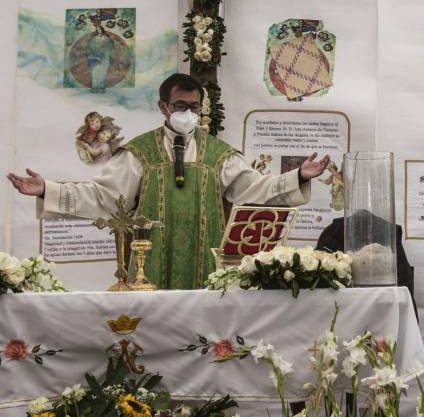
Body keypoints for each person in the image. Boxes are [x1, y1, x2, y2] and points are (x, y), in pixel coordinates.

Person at [7, 73, 333, 289]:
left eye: (194, 106)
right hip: (150, 262)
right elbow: (104, 195)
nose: (188, 112)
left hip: (207, 259)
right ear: (163, 106)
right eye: (180, 105)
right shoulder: (140, 152)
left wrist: (298, 176)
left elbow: (255, 188)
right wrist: (47, 189)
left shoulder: (217, 154)